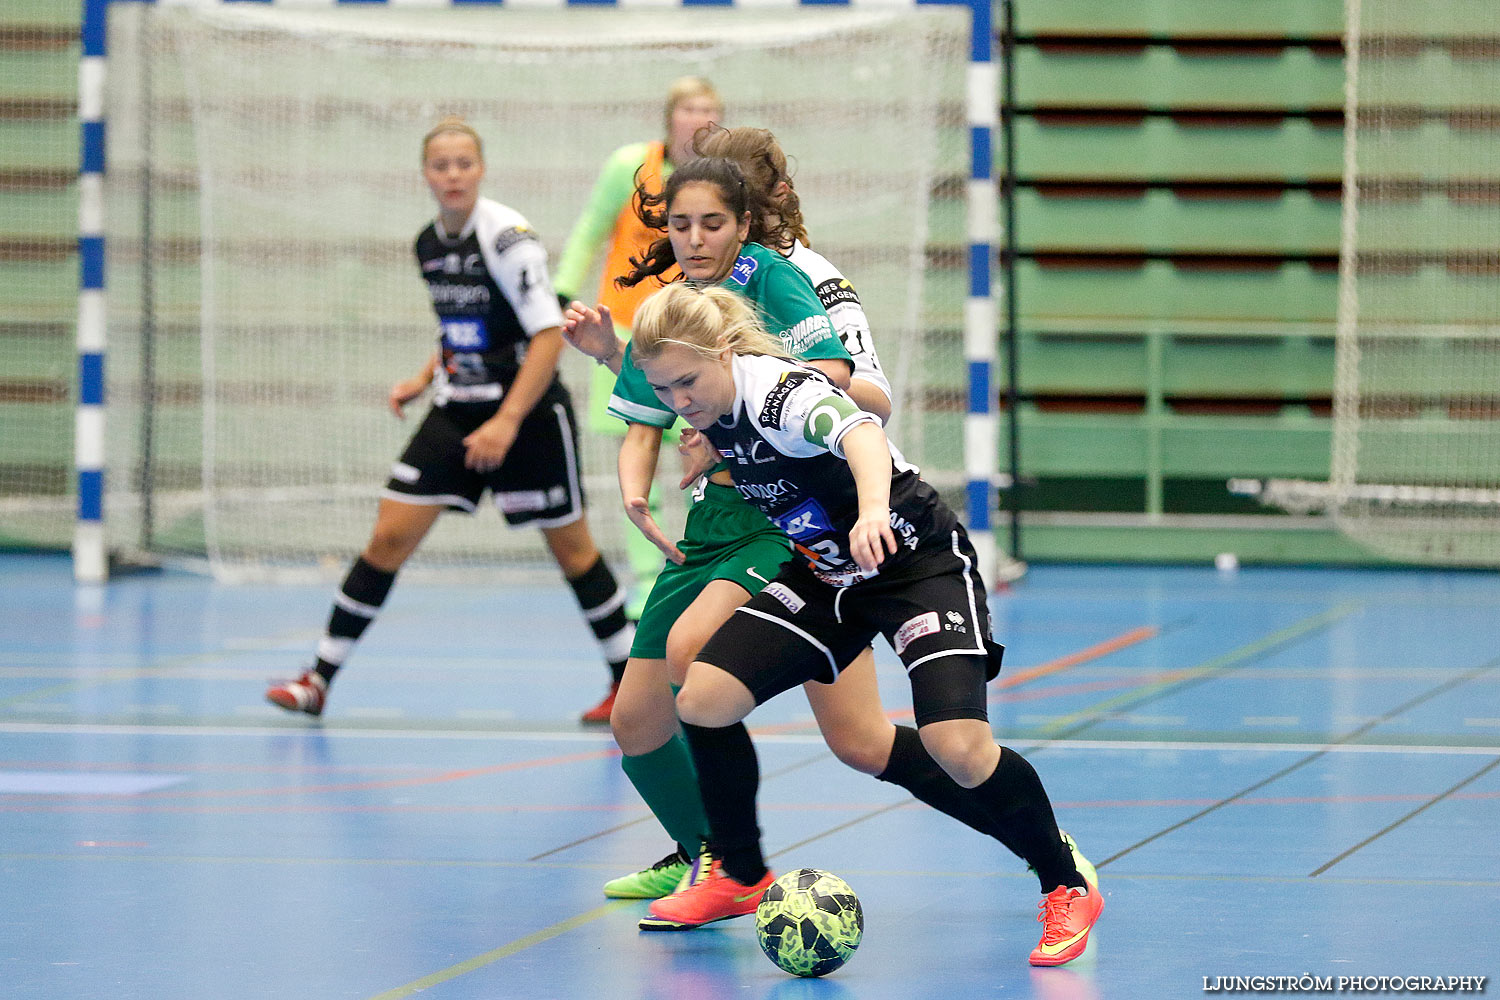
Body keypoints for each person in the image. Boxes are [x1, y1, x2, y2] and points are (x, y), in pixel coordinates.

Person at [564, 155, 1095, 937]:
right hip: (826, 570)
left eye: (685, 389)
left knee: (958, 745)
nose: (677, 408)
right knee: (704, 696)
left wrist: (874, 507)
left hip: (909, 556)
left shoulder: (779, 388)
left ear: (721, 357)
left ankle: (1062, 880)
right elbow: (668, 398)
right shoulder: (700, 396)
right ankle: (739, 873)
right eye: (665, 394)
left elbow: (860, 430)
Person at [265, 117, 634, 719]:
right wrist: (423, 376)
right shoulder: (428, 244)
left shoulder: (508, 237)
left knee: (573, 550)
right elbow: (463, 329)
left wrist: (508, 422)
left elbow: (546, 334)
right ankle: (318, 680)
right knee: (388, 537)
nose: (454, 174)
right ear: (426, 175)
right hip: (457, 410)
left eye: (465, 163)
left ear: (481, 169)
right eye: (442, 165)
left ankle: (629, 686)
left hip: (528, 413)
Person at [553, 78, 724, 724]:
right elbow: (592, 230)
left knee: (704, 474)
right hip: (625, 336)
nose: (698, 119)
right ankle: (652, 616)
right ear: (669, 118)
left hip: (696, 339)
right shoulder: (632, 168)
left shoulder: (721, 184)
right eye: (689, 109)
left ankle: (697, 607)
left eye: (709, 110)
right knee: (640, 479)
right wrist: (563, 290)